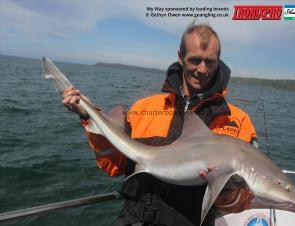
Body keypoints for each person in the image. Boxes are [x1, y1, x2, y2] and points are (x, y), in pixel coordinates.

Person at [62, 22, 258, 226]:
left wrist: (226, 189)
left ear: (218, 61)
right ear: (180, 58)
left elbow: (241, 205)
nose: (202, 69)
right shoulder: (145, 108)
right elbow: (113, 165)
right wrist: (89, 116)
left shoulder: (237, 121)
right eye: (195, 60)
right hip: (135, 220)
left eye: (210, 61)